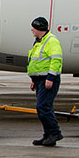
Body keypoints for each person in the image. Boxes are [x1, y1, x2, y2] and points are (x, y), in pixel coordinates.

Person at [28, 16, 63, 146]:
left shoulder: (51, 41)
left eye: (34, 27)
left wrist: (50, 78)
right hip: (39, 80)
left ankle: (55, 133)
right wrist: (33, 79)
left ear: (40, 28)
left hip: (47, 80)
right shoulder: (39, 41)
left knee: (43, 106)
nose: (32, 30)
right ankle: (48, 135)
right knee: (43, 108)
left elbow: (56, 60)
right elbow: (35, 62)